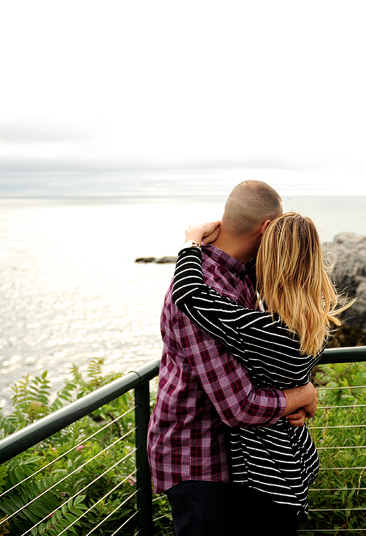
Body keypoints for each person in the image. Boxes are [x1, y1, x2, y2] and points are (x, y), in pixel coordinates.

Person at [146, 181, 318, 536]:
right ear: (268, 228)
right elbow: (239, 406)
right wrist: (301, 395)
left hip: (235, 453)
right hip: (198, 455)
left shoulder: (241, 275)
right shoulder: (201, 296)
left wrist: (193, 240)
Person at [171, 212, 350, 533]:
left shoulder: (262, 330)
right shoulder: (314, 324)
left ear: (271, 263)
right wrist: (304, 392)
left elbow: (188, 295)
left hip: (265, 477)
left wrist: (192, 238)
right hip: (292, 461)